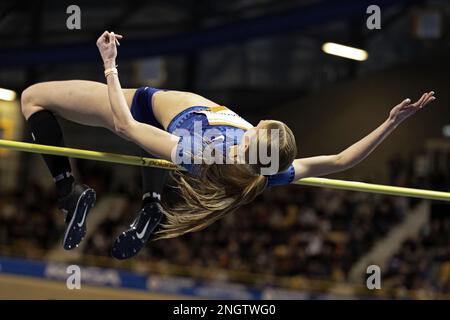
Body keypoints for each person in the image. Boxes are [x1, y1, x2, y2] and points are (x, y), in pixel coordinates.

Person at [20, 31, 436, 260]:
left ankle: (68, 191)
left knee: (33, 97)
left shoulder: (202, 154)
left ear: (256, 138)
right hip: (162, 139)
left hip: (142, 104)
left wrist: (109, 64)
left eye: (257, 127)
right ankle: (150, 205)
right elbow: (342, 160)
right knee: (156, 151)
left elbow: (127, 125)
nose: (253, 124)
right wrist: (390, 123)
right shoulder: (267, 172)